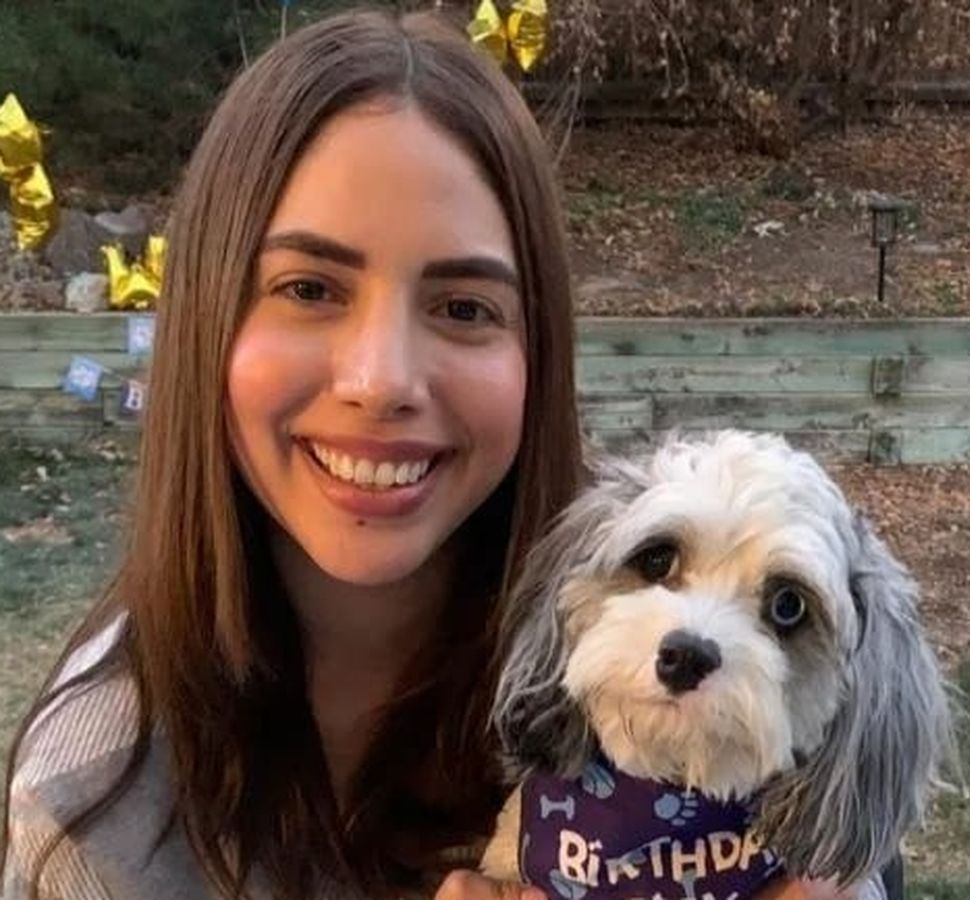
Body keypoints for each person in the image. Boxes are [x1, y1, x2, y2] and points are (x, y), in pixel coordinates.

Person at [1, 9, 879, 900]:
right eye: (308, 288)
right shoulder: (90, 818)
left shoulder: (710, 684)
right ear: (203, 318)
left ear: (537, 349)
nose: (381, 380)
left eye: (464, 307)